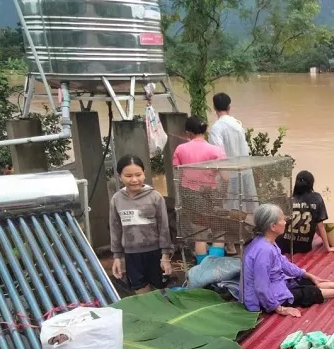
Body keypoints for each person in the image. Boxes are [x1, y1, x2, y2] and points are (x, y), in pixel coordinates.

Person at [243, 203, 334, 317]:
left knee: (309, 282)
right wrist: (279, 308)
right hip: (266, 299)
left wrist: (308, 275)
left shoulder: (268, 243)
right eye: (282, 219)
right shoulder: (264, 250)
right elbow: (261, 287)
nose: (285, 222)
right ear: (273, 226)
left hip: (277, 284)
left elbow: (283, 263)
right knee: (310, 292)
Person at [110, 155, 174, 293]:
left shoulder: (155, 197)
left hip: (155, 254)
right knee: (142, 295)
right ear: (120, 176)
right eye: (128, 175)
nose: (134, 179)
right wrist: (117, 257)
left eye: (138, 174)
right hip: (132, 256)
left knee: (161, 294)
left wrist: (165, 256)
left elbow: (164, 228)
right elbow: (115, 229)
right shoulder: (116, 199)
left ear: (144, 174)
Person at [173, 115, 227, 264]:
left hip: (189, 193)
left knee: (200, 233)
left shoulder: (180, 149)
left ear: (188, 132)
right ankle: (216, 266)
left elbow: (178, 171)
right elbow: (225, 176)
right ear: (205, 130)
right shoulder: (216, 151)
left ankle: (202, 267)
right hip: (211, 193)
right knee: (219, 231)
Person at [209, 92, 258, 253]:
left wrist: (222, 175)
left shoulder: (216, 128)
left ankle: (230, 243)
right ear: (229, 107)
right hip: (244, 171)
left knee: (228, 208)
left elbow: (218, 153)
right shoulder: (238, 125)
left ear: (214, 107)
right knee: (244, 205)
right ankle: (246, 238)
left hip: (228, 173)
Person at [276, 171, 334, 254]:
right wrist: (328, 247)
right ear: (311, 184)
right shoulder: (316, 198)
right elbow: (320, 226)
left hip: (284, 245)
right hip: (304, 247)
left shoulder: (288, 199)